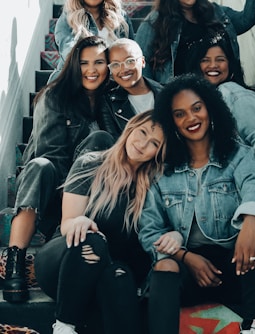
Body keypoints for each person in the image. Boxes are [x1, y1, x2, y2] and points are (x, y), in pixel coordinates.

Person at [138, 74, 255, 334]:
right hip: (190, 271)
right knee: (163, 267)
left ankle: (253, 326)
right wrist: (187, 258)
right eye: (179, 114)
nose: (190, 119)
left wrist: (250, 223)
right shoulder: (161, 173)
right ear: (172, 123)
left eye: (197, 108)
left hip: (237, 264)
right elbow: (149, 230)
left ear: (211, 109)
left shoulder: (239, 155)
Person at [3, 36, 115, 303]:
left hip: (93, 197)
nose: (91, 69)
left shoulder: (112, 99)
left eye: (99, 62)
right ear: (74, 65)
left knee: (101, 141)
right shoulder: (54, 96)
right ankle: (15, 260)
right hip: (54, 189)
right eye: (84, 63)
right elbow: (48, 155)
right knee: (39, 167)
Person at [34, 110, 166, 334]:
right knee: (92, 240)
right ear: (131, 127)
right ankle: (64, 327)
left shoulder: (155, 183)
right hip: (66, 261)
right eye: (142, 132)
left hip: (108, 273)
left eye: (153, 143)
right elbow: (67, 222)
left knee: (121, 275)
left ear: (158, 153)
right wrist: (79, 222)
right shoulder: (91, 163)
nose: (143, 144)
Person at [192, 30, 255, 244]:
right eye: (205, 60)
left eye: (220, 59)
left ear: (231, 64)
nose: (213, 66)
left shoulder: (232, 93)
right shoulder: (206, 100)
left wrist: (251, 186)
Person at [135, 0, 255, 84]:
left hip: (222, 94)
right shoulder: (154, 22)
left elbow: (245, 20)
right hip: (183, 103)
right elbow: (141, 68)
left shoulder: (215, 12)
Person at [48, 0, 135, 82]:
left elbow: (131, 51)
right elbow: (69, 53)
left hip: (112, 80)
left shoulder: (121, 17)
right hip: (76, 79)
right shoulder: (68, 18)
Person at [99, 38, 163, 141]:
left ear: (142, 61)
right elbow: (115, 144)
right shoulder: (108, 103)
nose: (123, 69)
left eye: (130, 61)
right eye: (115, 65)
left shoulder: (167, 93)